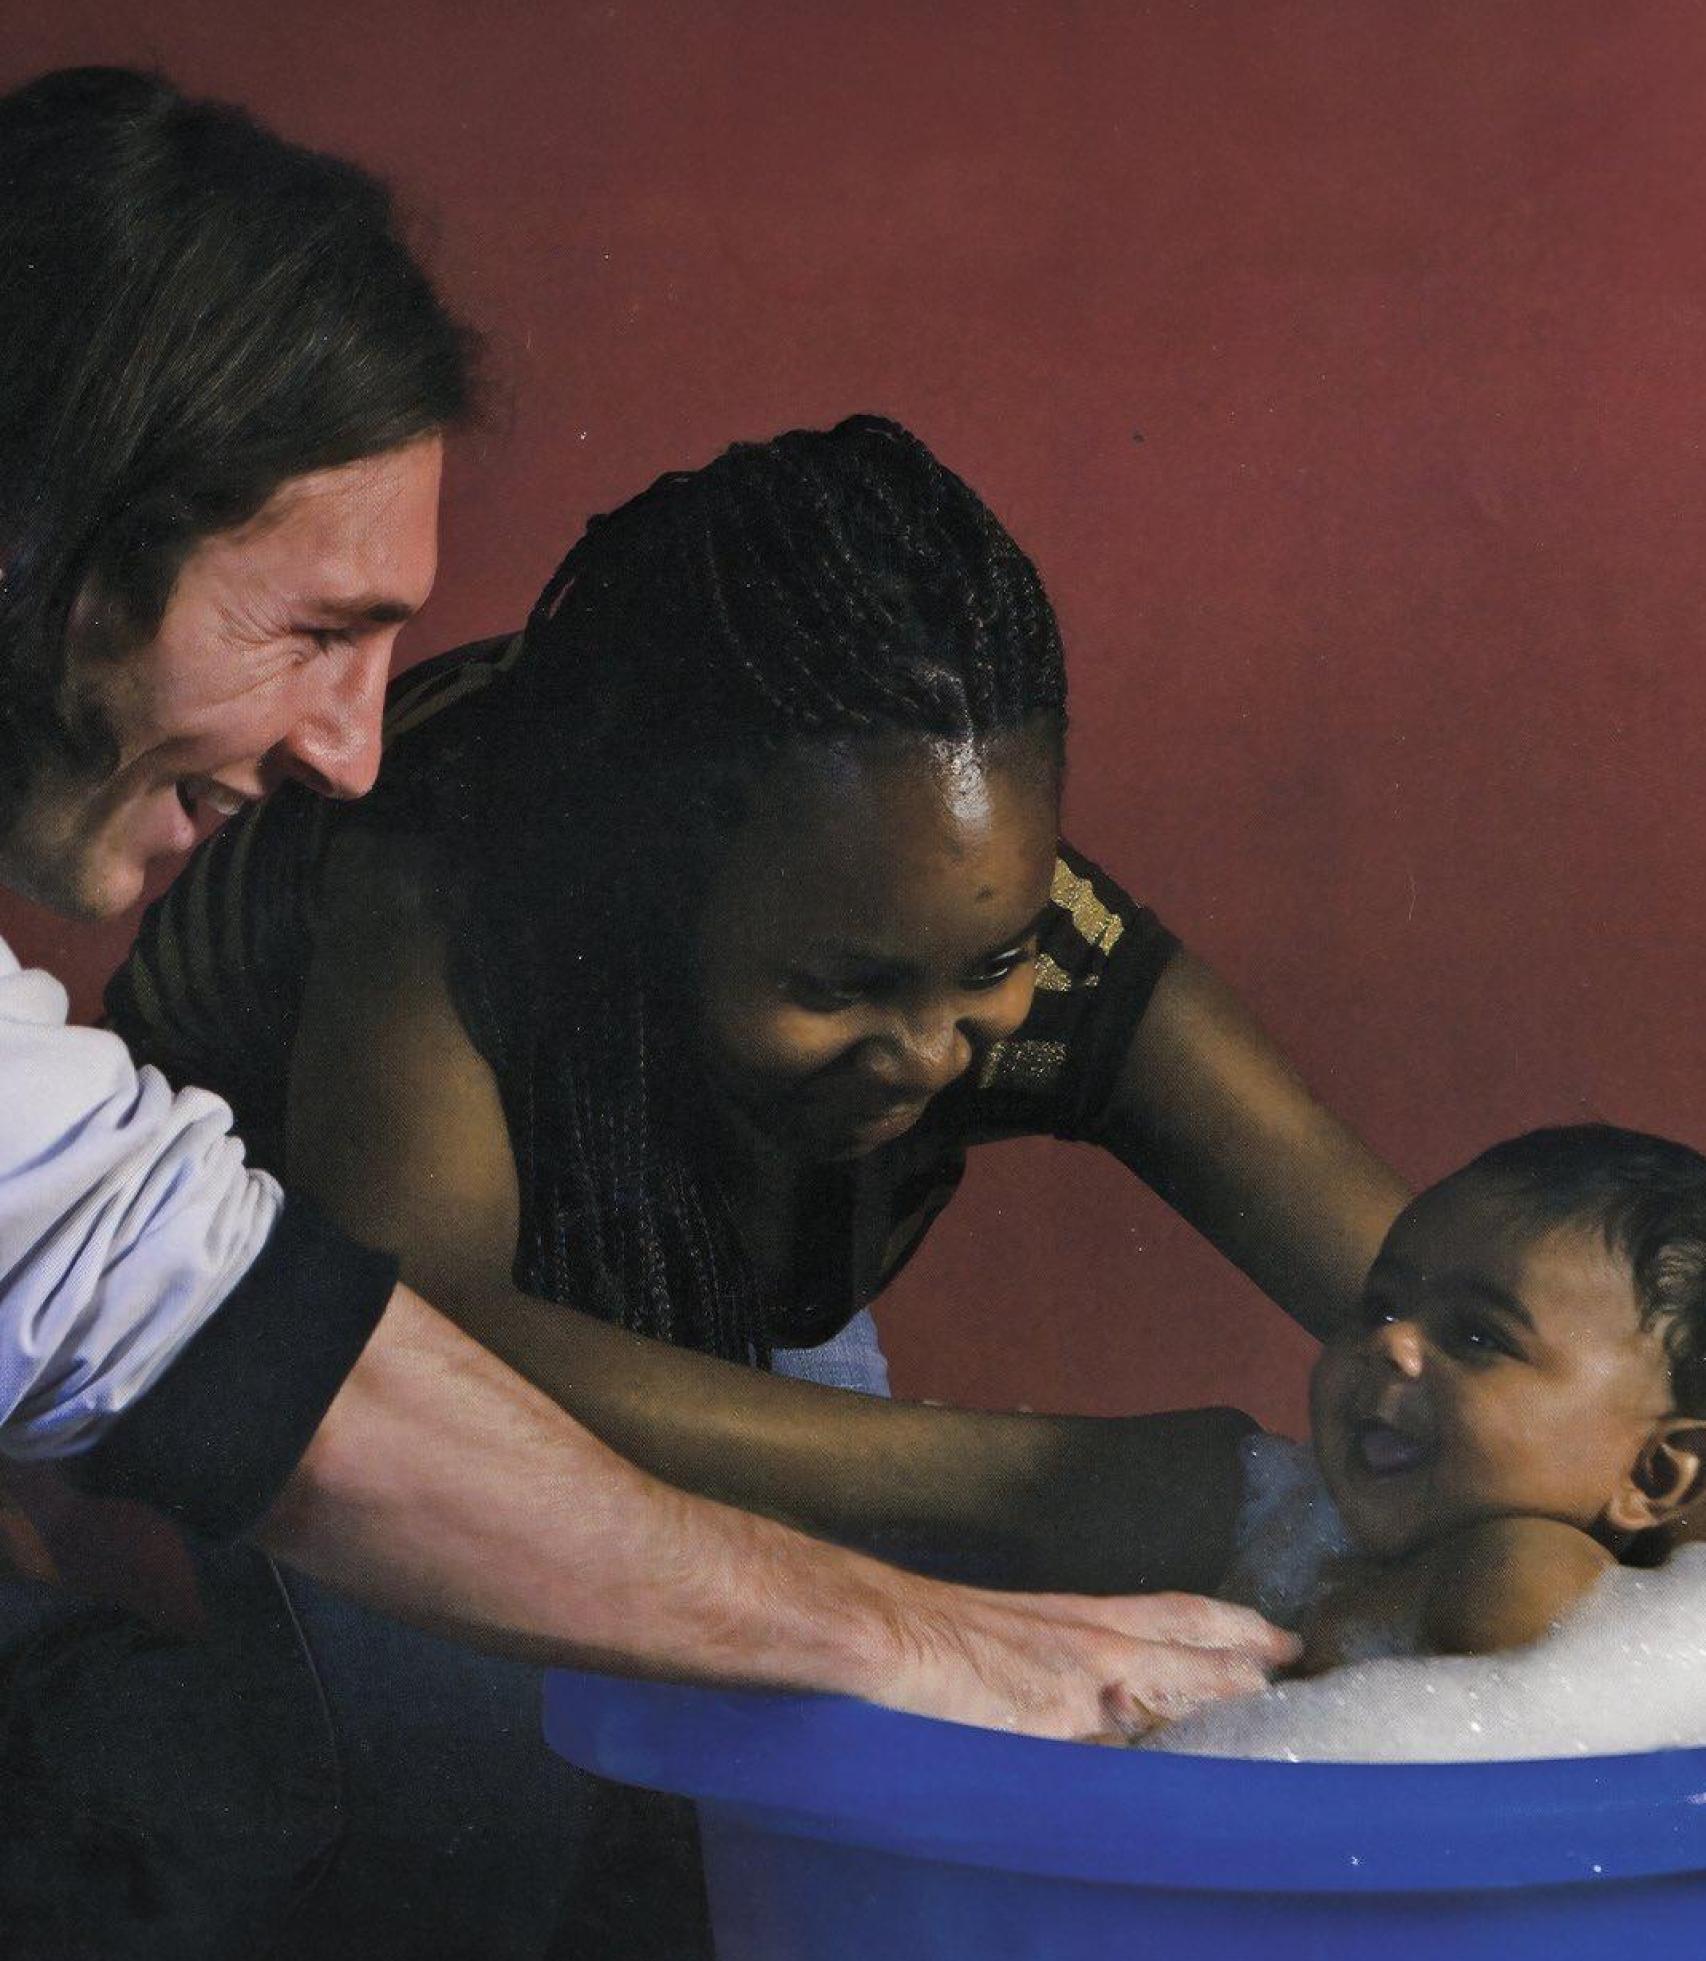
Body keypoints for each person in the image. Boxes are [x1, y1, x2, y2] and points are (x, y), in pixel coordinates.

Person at [0, 66, 1296, 1959]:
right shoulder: (431, 881)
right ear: (51, 552)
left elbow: (141, 1274)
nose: (350, 746)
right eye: (310, 631)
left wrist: (916, 1618)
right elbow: (265, 1340)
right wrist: (961, 1580)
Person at [107, 413, 1407, 1948]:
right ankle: (64, 1710)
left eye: (991, 962)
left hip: (669, 1277)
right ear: (655, 888)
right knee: (469, 1847)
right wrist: (1033, 1481)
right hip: (282, 1318)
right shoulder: (439, 868)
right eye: (844, 982)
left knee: (787, 1806)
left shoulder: (972, 912)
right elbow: (417, 1341)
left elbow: (1446, 1296)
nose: (932, 1049)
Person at [1218, 1124, 1706, 1676]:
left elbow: (1521, 1589)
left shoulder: (1540, 1571)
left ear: (1653, 1474)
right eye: (1382, 1305)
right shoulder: (1292, 1506)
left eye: (1479, 1337)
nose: (1392, 1341)